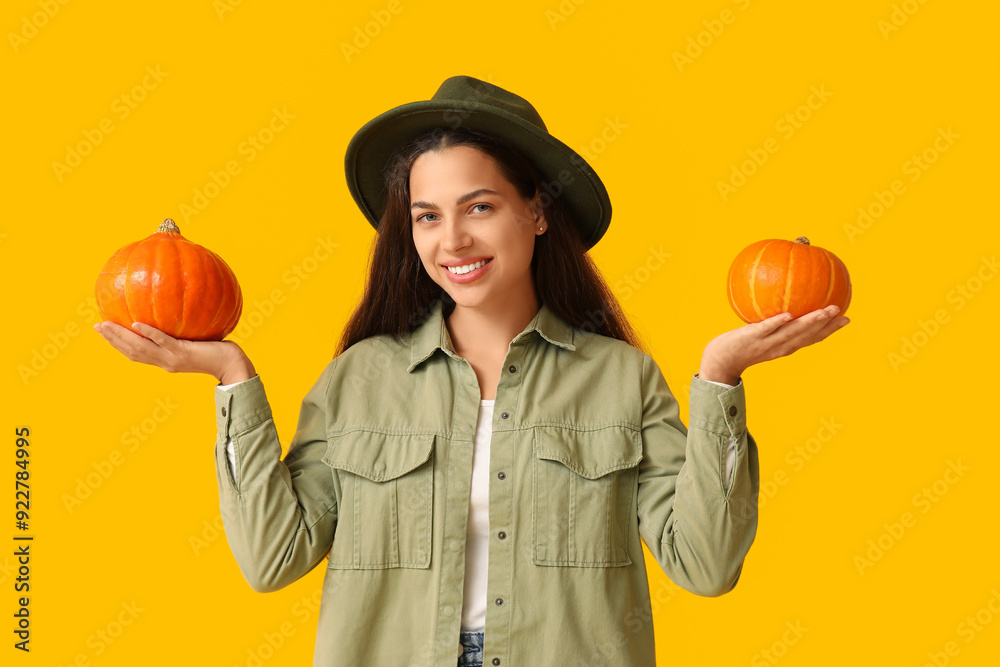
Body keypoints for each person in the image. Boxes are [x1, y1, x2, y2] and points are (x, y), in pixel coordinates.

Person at [93, 75, 850, 667]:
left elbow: (707, 565)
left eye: (479, 206)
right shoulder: (361, 379)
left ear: (538, 212)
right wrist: (232, 377)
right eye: (427, 214)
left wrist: (720, 380)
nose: (451, 237)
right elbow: (272, 558)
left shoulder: (623, 381)